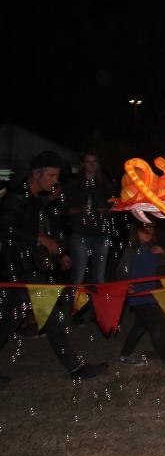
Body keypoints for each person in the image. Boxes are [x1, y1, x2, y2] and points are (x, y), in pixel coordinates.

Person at [0, 151, 107, 381]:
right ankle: (75, 368)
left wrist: (58, 255)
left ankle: (75, 368)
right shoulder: (16, 197)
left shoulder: (36, 198)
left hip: (27, 266)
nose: (54, 180)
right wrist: (39, 238)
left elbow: (45, 229)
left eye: (57, 176)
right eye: (51, 175)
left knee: (9, 320)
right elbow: (7, 230)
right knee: (51, 314)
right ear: (36, 175)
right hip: (15, 269)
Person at [116, 222, 165, 369]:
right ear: (136, 232)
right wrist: (125, 284)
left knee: (140, 326)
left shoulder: (151, 250)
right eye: (144, 230)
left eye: (151, 229)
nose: (149, 232)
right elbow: (122, 269)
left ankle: (125, 354)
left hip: (151, 295)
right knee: (155, 325)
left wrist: (163, 252)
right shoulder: (132, 250)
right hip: (139, 296)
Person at [64, 151, 115, 285]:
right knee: (78, 277)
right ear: (83, 164)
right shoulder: (74, 185)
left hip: (102, 235)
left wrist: (106, 211)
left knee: (99, 278)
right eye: (88, 162)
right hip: (80, 235)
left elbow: (114, 208)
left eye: (94, 162)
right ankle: (75, 305)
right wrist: (80, 210)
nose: (92, 165)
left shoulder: (106, 185)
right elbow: (64, 210)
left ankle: (96, 306)